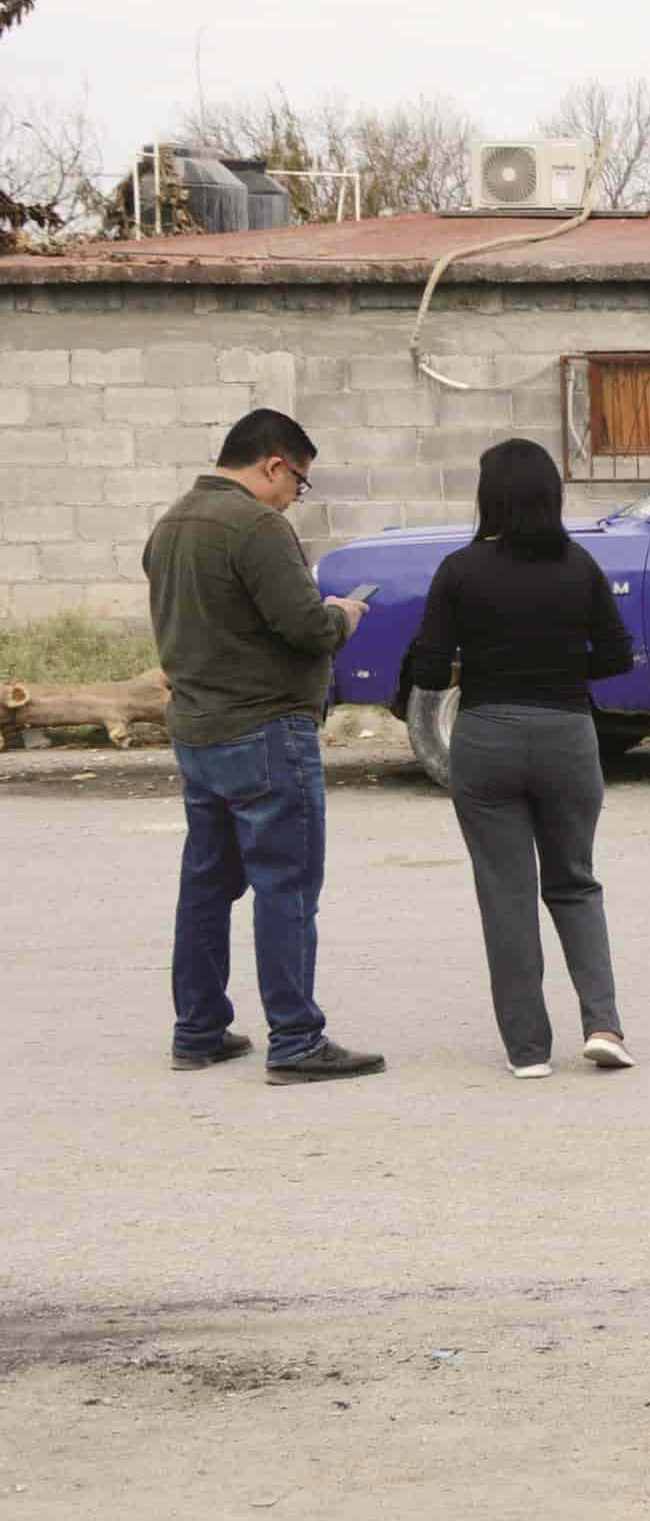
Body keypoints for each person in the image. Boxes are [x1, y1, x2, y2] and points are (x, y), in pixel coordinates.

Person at [142, 408, 383, 1083]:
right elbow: (305, 628)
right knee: (287, 887)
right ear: (275, 464)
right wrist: (345, 614)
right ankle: (297, 1039)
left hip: (198, 730)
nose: (293, 498)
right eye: (298, 483)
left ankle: (199, 1029)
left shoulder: (173, 522)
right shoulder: (256, 527)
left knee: (206, 886)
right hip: (265, 732)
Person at [403, 439, 637, 1079]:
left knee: (506, 894)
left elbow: (426, 668)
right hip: (567, 733)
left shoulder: (458, 569)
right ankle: (603, 1024)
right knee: (575, 882)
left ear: (489, 497)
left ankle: (528, 1050)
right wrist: (563, 667)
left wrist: (475, 664)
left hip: (486, 737)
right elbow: (618, 656)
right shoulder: (579, 564)